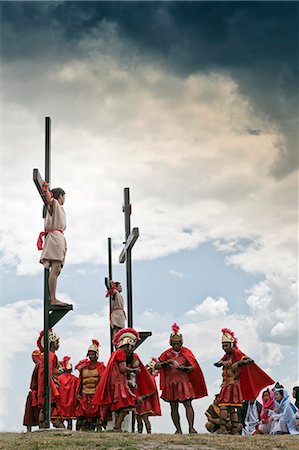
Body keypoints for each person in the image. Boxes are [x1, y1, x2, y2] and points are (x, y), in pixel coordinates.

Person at [93, 328, 156, 432]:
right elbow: (123, 369)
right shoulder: (121, 352)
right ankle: (117, 427)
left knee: (120, 407)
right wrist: (134, 370)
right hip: (119, 383)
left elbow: (132, 361)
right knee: (127, 405)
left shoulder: (117, 352)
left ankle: (116, 427)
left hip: (116, 382)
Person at [214, 328, 274, 435]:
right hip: (226, 383)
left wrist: (238, 364)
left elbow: (250, 360)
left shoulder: (237, 352)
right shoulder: (227, 355)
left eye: (226, 345)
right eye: (223, 346)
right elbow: (218, 363)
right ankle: (234, 430)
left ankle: (224, 429)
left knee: (224, 406)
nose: (224, 348)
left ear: (232, 344)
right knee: (231, 409)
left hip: (233, 384)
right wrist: (222, 363)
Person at [155, 323, 208, 434]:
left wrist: (182, 368)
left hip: (184, 382)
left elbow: (192, 367)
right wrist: (167, 362)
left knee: (188, 404)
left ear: (181, 343)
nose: (176, 346)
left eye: (178, 343)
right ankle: (178, 429)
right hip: (171, 383)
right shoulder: (166, 354)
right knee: (173, 407)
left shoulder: (186, 352)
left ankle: (191, 428)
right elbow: (156, 365)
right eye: (174, 344)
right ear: (171, 343)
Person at [37, 184, 69, 307]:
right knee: (55, 268)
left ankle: (53, 297)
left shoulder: (59, 208)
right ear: (60, 196)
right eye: (64, 197)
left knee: (57, 269)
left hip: (59, 238)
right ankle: (53, 298)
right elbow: (49, 200)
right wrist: (45, 189)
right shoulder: (54, 203)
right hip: (55, 238)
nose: (64, 199)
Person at [75, 340, 106, 431]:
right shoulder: (83, 368)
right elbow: (80, 381)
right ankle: (77, 432)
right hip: (84, 394)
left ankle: (99, 432)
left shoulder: (101, 368)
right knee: (80, 416)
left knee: (97, 417)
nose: (91, 356)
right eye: (90, 354)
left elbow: (102, 383)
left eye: (93, 354)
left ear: (97, 355)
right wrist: (78, 393)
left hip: (95, 394)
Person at [36, 329, 63, 428]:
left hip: (44, 386)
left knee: (44, 410)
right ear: (52, 343)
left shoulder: (45, 356)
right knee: (51, 412)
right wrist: (54, 386)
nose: (58, 344)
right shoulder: (51, 356)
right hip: (49, 387)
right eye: (57, 342)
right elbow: (48, 373)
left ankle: (42, 429)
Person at [135, 358, 161, 434]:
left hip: (145, 401)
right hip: (139, 400)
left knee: (145, 418)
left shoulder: (151, 378)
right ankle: (139, 431)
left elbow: (153, 390)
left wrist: (144, 397)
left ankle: (148, 432)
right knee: (138, 418)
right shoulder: (142, 377)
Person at [57, 356, 80, 430]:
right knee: (70, 421)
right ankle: (69, 430)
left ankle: (63, 431)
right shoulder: (75, 379)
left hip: (62, 402)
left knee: (60, 419)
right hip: (71, 402)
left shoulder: (59, 378)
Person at [23, 349, 42, 432]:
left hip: (38, 392)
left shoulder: (39, 365)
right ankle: (29, 430)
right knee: (30, 412)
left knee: (36, 412)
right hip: (35, 392)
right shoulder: (38, 365)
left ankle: (37, 429)